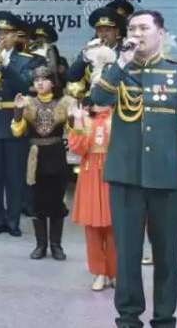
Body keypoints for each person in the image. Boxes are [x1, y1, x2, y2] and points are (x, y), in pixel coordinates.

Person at [89, 10, 177, 328]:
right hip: (125, 176)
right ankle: (128, 317)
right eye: (132, 28)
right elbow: (97, 99)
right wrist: (120, 63)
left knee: (166, 254)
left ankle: (164, 318)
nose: (137, 34)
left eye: (144, 28)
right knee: (127, 253)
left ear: (161, 33)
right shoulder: (118, 71)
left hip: (167, 177)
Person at [0, 11, 40, 237]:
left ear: (16, 36)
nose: (2, 37)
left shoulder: (24, 61)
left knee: (15, 176)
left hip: (15, 123)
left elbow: (24, 85)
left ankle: (13, 221)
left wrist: (5, 66)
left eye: (6, 33)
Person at [11, 65, 71, 260]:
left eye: (44, 79)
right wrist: (18, 112)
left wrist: (73, 116)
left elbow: (75, 130)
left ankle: (56, 245)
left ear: (52, 83)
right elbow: (17, 131)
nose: (39, 82)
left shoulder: (64, 103)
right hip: (35, 157)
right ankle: (40, 245)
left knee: (56, 200)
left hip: (56, 154)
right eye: (36, 80)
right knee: (37, 201)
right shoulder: (27, 103)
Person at [69, 84, 117, 291]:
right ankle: (98, 271)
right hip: (89, 175)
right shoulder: (84, 119)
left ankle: (115, 272)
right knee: (92, 227)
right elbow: (78, 148)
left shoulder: (119, 119)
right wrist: (78, 121)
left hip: (113, 175)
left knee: (115, 227)